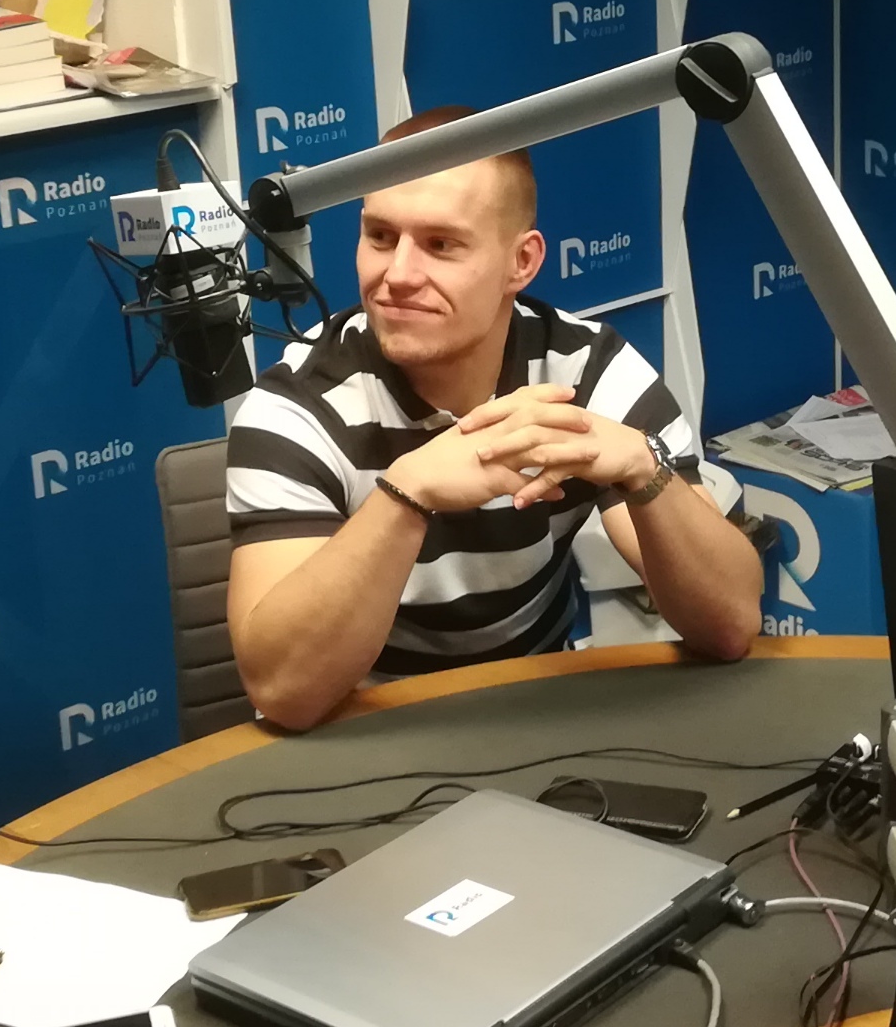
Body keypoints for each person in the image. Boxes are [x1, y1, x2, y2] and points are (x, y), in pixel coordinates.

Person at [225, 107, 762, 729]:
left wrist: (646, 470)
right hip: (362, 730)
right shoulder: (295, 408)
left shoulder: (588, 372)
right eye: (380, 236)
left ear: (522, 263)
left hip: (538, 720)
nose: (397, 275)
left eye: (441, 245)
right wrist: (407, 494)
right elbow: (285, 693)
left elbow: (729, 626)